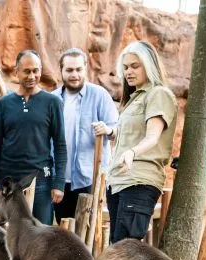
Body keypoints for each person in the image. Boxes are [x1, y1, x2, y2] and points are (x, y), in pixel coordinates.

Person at [105, 40, 178, 243]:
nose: (128, 72)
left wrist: (132, 153)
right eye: (126, 67)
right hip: (118, 181)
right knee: (117, 249)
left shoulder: (158, 94)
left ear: (149, 66)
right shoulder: (132, 100)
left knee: (126, 250)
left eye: (135, 66)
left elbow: (152, 137)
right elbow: (127, 135)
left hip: (139, 180)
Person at [0, 50, 66, 225]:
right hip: (8, 181)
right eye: (27, 71)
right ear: (16, 72)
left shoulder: (52, 103)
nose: (32, 76)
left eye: (36, 70)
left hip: (40, 181)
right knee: (6, 235)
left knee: (39, 236)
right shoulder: (4, 104)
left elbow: (60, 144)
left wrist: (58, 182)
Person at [53, 47, 119, 223]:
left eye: (78, 69)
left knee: (87, 229)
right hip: (60, 179)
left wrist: (108, 130)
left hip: (89, 178)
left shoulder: (100, 95)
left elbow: (117, 129)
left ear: (85, 69)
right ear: (61, 71)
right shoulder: (52, 99)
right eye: (69, 70)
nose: (74, 74)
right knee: (63, 230)